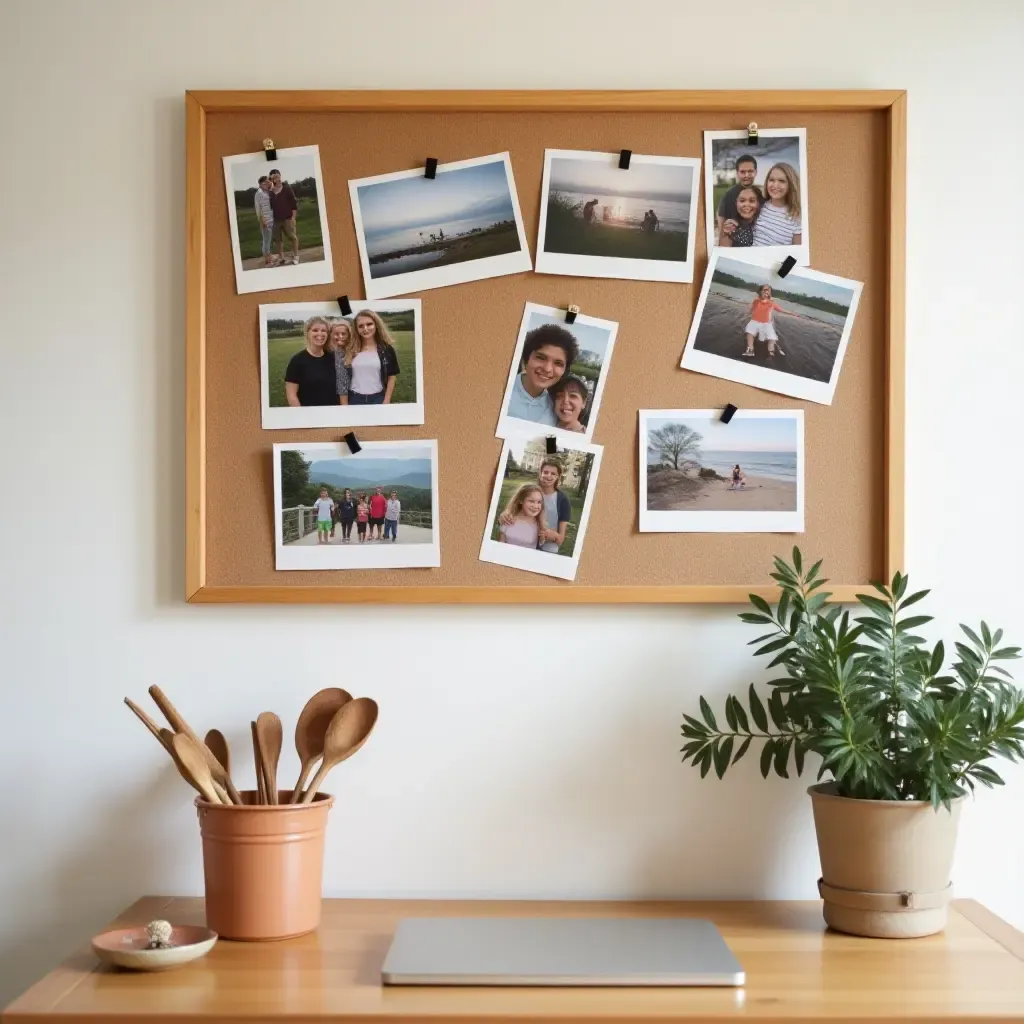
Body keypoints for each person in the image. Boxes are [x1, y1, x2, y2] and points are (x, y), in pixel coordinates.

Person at [506, 322, 579, 427]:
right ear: (526, 359)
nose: (548, 369)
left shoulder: (556, 410)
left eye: (558, 363)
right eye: (541, 357)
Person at [498, 458, 572, 555]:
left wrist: (552, 535)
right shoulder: (531, 491)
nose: (548, 476)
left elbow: (560, 539)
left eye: (553, 473)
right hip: (522, 542)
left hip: (547, 550)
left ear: (558, 476)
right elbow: (514, 509)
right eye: (545, 472)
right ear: (540, 473)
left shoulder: (563, 500)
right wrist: (504, 515)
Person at [336, 309, 400, 406]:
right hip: (355, 399)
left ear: (376, 325)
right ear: (356, 329)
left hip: (378, 399)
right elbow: (342, 379)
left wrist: (386, 400)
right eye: (361, 326)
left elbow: (392, 377)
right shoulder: (350, 349)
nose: (365, 329)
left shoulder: (386, 349)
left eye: (369, 324)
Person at [284, 316, 337, 406]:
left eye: (323, 331)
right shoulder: (297, 361)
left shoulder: (333, 357)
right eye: (315, 330)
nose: (320, 334)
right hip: (310, 416)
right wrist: (302, 417)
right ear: (307, 333)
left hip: (333, 414)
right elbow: (292, 396)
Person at [750, 163, 802, 247]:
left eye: (781, 181)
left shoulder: (796, 216)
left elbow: (796, 253)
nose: (775, 185)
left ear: (791, 185)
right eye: (771, 180)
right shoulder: (759, 206)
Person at [715, 154, 759, 243]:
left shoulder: (759, 193)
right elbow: (721, 224)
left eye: (750, 171)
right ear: (737, 172)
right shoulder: (729, 195)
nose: (746, 175)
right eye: (743, 172)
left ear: (756, 172)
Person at [743, 284, 787, 359]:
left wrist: (793, 313)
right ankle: (750, 349)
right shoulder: (756, 300)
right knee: (750, 333)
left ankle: (771, 351)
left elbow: (780, 309)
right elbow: (752, 309)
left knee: (771, 337)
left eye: (768, 290)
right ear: (760, 291)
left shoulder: (771, 301)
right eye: (765, 290)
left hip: (767, 322)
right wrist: (747, 314)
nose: (767, 292)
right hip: (756, 321)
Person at [496, 484, 546, 548]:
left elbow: (540, 544)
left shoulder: (539, 523)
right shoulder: (508, 518)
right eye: (531, 501)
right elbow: (500, 542)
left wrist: (543, 538)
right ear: (520, 500)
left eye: (539, 502)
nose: (536, 506)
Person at [268, 168, 299, 266]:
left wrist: (293, 218)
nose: (277, 178)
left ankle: (296, 256)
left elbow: (294, 203)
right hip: (276, 220)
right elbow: (269, 206)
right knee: (278, 240)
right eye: (274, 176)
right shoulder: (270, 191)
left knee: (292, 237)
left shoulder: (287, 188)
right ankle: (281, 258)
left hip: (287, 218)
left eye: (278, 176)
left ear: (280, 176)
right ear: (271, 178)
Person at [253, 175, 274, 267]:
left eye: (267, 182)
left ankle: (269, 256)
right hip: (266, 221)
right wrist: (262, 221)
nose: (266, 184)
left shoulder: (267, 192)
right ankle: (267, 261)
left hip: (271, 220)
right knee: (266, 241)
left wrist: (271, 184)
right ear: (260, 184)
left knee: (269, 240)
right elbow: (258, 209)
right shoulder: (259, 193)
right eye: (264, 182)